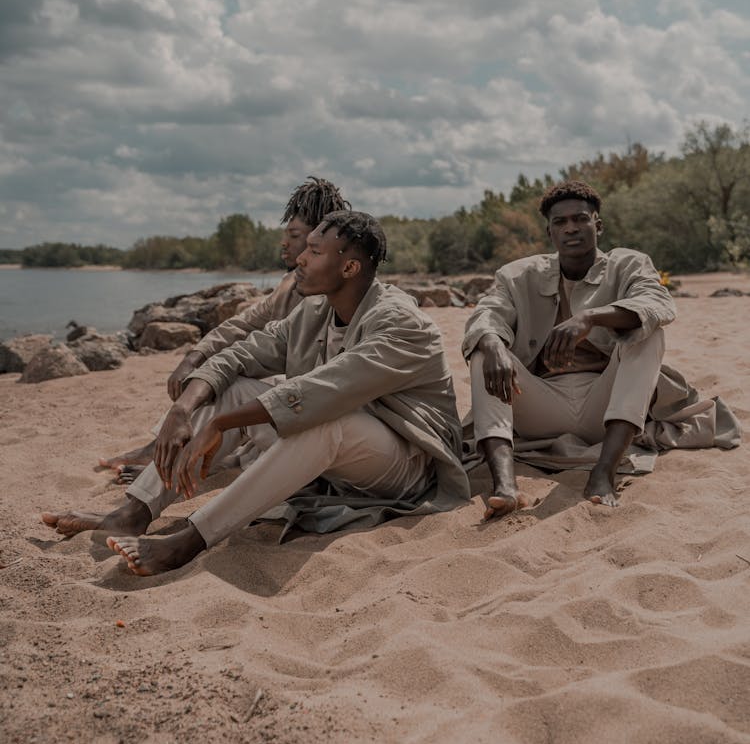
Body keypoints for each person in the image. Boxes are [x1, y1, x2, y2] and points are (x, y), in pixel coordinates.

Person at [43, 211, 470, 574]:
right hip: (337, 459)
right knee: (230, 389)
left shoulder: (400, 323)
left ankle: (191, 538)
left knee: (324, 420)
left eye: (315, 252)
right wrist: (184, 409)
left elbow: (324, 390)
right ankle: (133, 514)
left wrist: (222, 425)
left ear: (350, 268)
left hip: (407, 466)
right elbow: (241, 354)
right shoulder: (315, 310)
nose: (300, 258)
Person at [463, 180, 741, 519]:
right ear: (550, 232)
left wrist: (590, 318)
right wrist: (491, 342)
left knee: (647, 334)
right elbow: (487, 312)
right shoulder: (517, 275)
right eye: (560, 223)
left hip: (607, 406)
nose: (571, 229)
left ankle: (604, 472)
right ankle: (505, 486)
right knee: (485, 349)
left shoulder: (630, 265)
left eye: (580, 219)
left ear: (598, 224)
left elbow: (657, 303)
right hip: (539, 405)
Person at [99, 176, 349, 480]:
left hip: (318, 423)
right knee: (221, 373)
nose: (284, 243)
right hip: (297, 412)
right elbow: (242, 325)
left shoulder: (333, 294)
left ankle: (170, 459)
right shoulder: (290, 285)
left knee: (230, 383)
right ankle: (164, 451)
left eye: (295, 235)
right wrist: (194, 356)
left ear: (322, 239)